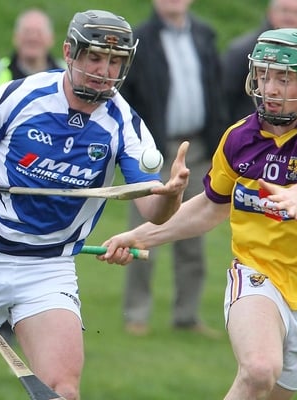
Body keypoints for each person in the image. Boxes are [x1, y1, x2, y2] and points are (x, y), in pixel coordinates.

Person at [0, 10, 190, 400]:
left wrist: (171, 194)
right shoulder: (20, 96)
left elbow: (151, 210)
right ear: (69, 52)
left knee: (62, 392)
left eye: (115, 62)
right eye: (95, 57)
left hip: (48, 267)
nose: (104, 70)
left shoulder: (125, 124)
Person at [102, 28, 297, 400]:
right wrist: (139, 235)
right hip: (258, 274)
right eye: (264, 75)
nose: (270, 88)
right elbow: (210, 207)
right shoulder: (240, 139)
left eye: (284, 78)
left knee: (265, 392)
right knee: (259, 371)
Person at [118, 0, 228, 337]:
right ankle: (136, 313)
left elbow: (216, 92)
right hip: (154, 151)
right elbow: (127, 97)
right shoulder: (139, 39)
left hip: (197, 149)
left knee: (194, 232)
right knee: (144, 230)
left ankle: (187, 314)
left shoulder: (205, 35)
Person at [222, 0, 297, 122]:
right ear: (270, 13)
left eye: (296, 12)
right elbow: (223, 100)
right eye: (285, 10)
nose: (290, 17)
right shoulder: (242, 51)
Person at [0, 8, 63, 95]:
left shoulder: (67, 73)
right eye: (27, 32)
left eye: (39, 33)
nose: (32, 38)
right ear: (15, 37)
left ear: (51, 39)